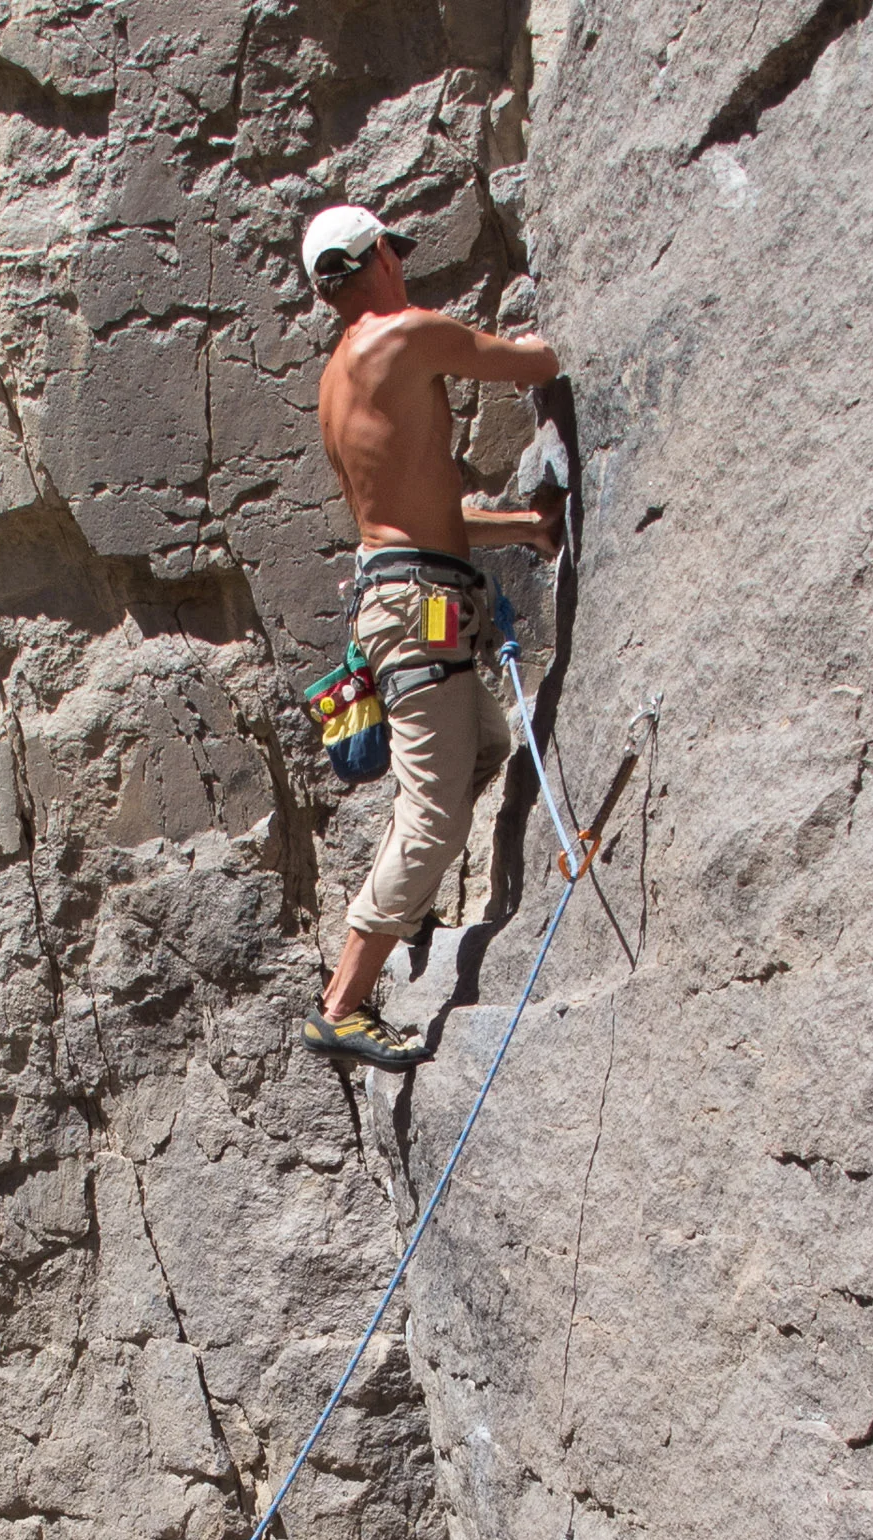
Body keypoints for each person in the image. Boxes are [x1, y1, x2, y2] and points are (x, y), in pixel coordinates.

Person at [299, 204, 563, 1071]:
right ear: (374, 258)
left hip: (405, 598)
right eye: (393, 254)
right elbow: (536, 362)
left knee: (484, 747)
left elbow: (424, 521)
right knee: (434, 812)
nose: (402, 269)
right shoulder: (402, 337)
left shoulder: (341, 376)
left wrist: (525, 526)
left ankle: (401, 906)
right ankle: (342, 1002)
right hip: (418, 613)